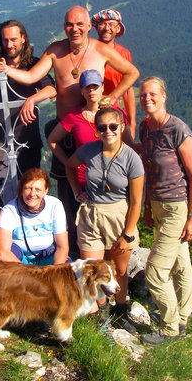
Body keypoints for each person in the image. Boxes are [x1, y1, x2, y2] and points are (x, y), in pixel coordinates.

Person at [0, 6, 139, 227]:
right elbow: (33, 76)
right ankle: (70, 237)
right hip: (67, 130)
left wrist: (112, 96)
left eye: (80, 24)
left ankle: (107, 229)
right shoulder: (55, 51)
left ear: (89, 26)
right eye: (70, 24)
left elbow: (132, 72)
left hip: (97, 130)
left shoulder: (100, 50)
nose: (75, 29)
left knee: (102, 182)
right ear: (64, 27)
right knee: (65, 187)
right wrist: (6, 70)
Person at [65, 107, 144, 333]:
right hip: (91, 214)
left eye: (112, 126)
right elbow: (70, 166)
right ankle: (101, 313)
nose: (107, 131)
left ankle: (120, 310)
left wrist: (128, 234)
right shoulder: (88, 150)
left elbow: (137, 201)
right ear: (96, 130)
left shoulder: (131, 158)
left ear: (121, 128)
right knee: (93, 270)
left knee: (118, 272)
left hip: (119, 215)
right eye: (102, 127)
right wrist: (75, 190)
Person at [135, 76, 192, 345]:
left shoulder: (178, 130)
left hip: (177, 208)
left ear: (164, 96)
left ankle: (170, 328)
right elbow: (149, 170)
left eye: (152, 94)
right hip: (159, 205)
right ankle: (183, 317)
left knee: (155, 270)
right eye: (142, 95)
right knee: (181, 264)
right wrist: (148, 207)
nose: (147, 98)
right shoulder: (145, 128)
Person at [46, 69, 133, 256]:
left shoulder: (116, 114)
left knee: (115, 242)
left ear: (102, 88)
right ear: (82, 92)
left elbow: (127, 144)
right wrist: (70, 163)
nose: (92, 91)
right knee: (87, 241)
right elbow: (52, 140)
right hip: (84, 188)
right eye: (87, 88)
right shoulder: (74, 117)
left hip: (113, 188)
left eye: (95, 86)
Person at [0, 19, 57, 206]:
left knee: (28, 194)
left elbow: (51, 90)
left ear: (23, 39)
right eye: (5, 40)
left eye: (13, 39)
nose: (9, 45)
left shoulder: (33, 65)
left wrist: (32, 99)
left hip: (27, 142)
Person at [0, 168, 69, 266]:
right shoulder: (9, 210)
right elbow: (2, 253)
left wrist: (54, 274)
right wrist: (30, 274)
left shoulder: (55, 205)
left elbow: (62, 247)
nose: (32, 194)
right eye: (28, 188)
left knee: (67, 268)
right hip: (18, 261)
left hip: (48, 257)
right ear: (21, 190)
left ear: (46, 191)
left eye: (38, 189)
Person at [91, 9, 138, 136]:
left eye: (111, 24)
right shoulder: (89, 51)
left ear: (118, 29)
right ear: (96, 28)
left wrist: (132, 123)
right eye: (102, 24)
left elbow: (128, 90)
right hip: (89, 112)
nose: (107, 28)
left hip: (112, 113)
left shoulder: (124, 54)